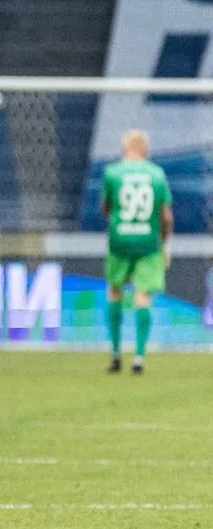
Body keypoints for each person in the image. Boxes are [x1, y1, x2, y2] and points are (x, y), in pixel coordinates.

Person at [100, 129, 173, 374]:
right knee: (143, 294)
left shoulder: (112, 172)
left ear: (125, 148)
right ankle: (139, 357)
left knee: (114, 289)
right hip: (148, 241)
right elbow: (166, 216)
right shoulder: (156, 173)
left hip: (120, 240)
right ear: (144, 149)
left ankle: (115, 354)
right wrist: (164, 242)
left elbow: (106, 208)